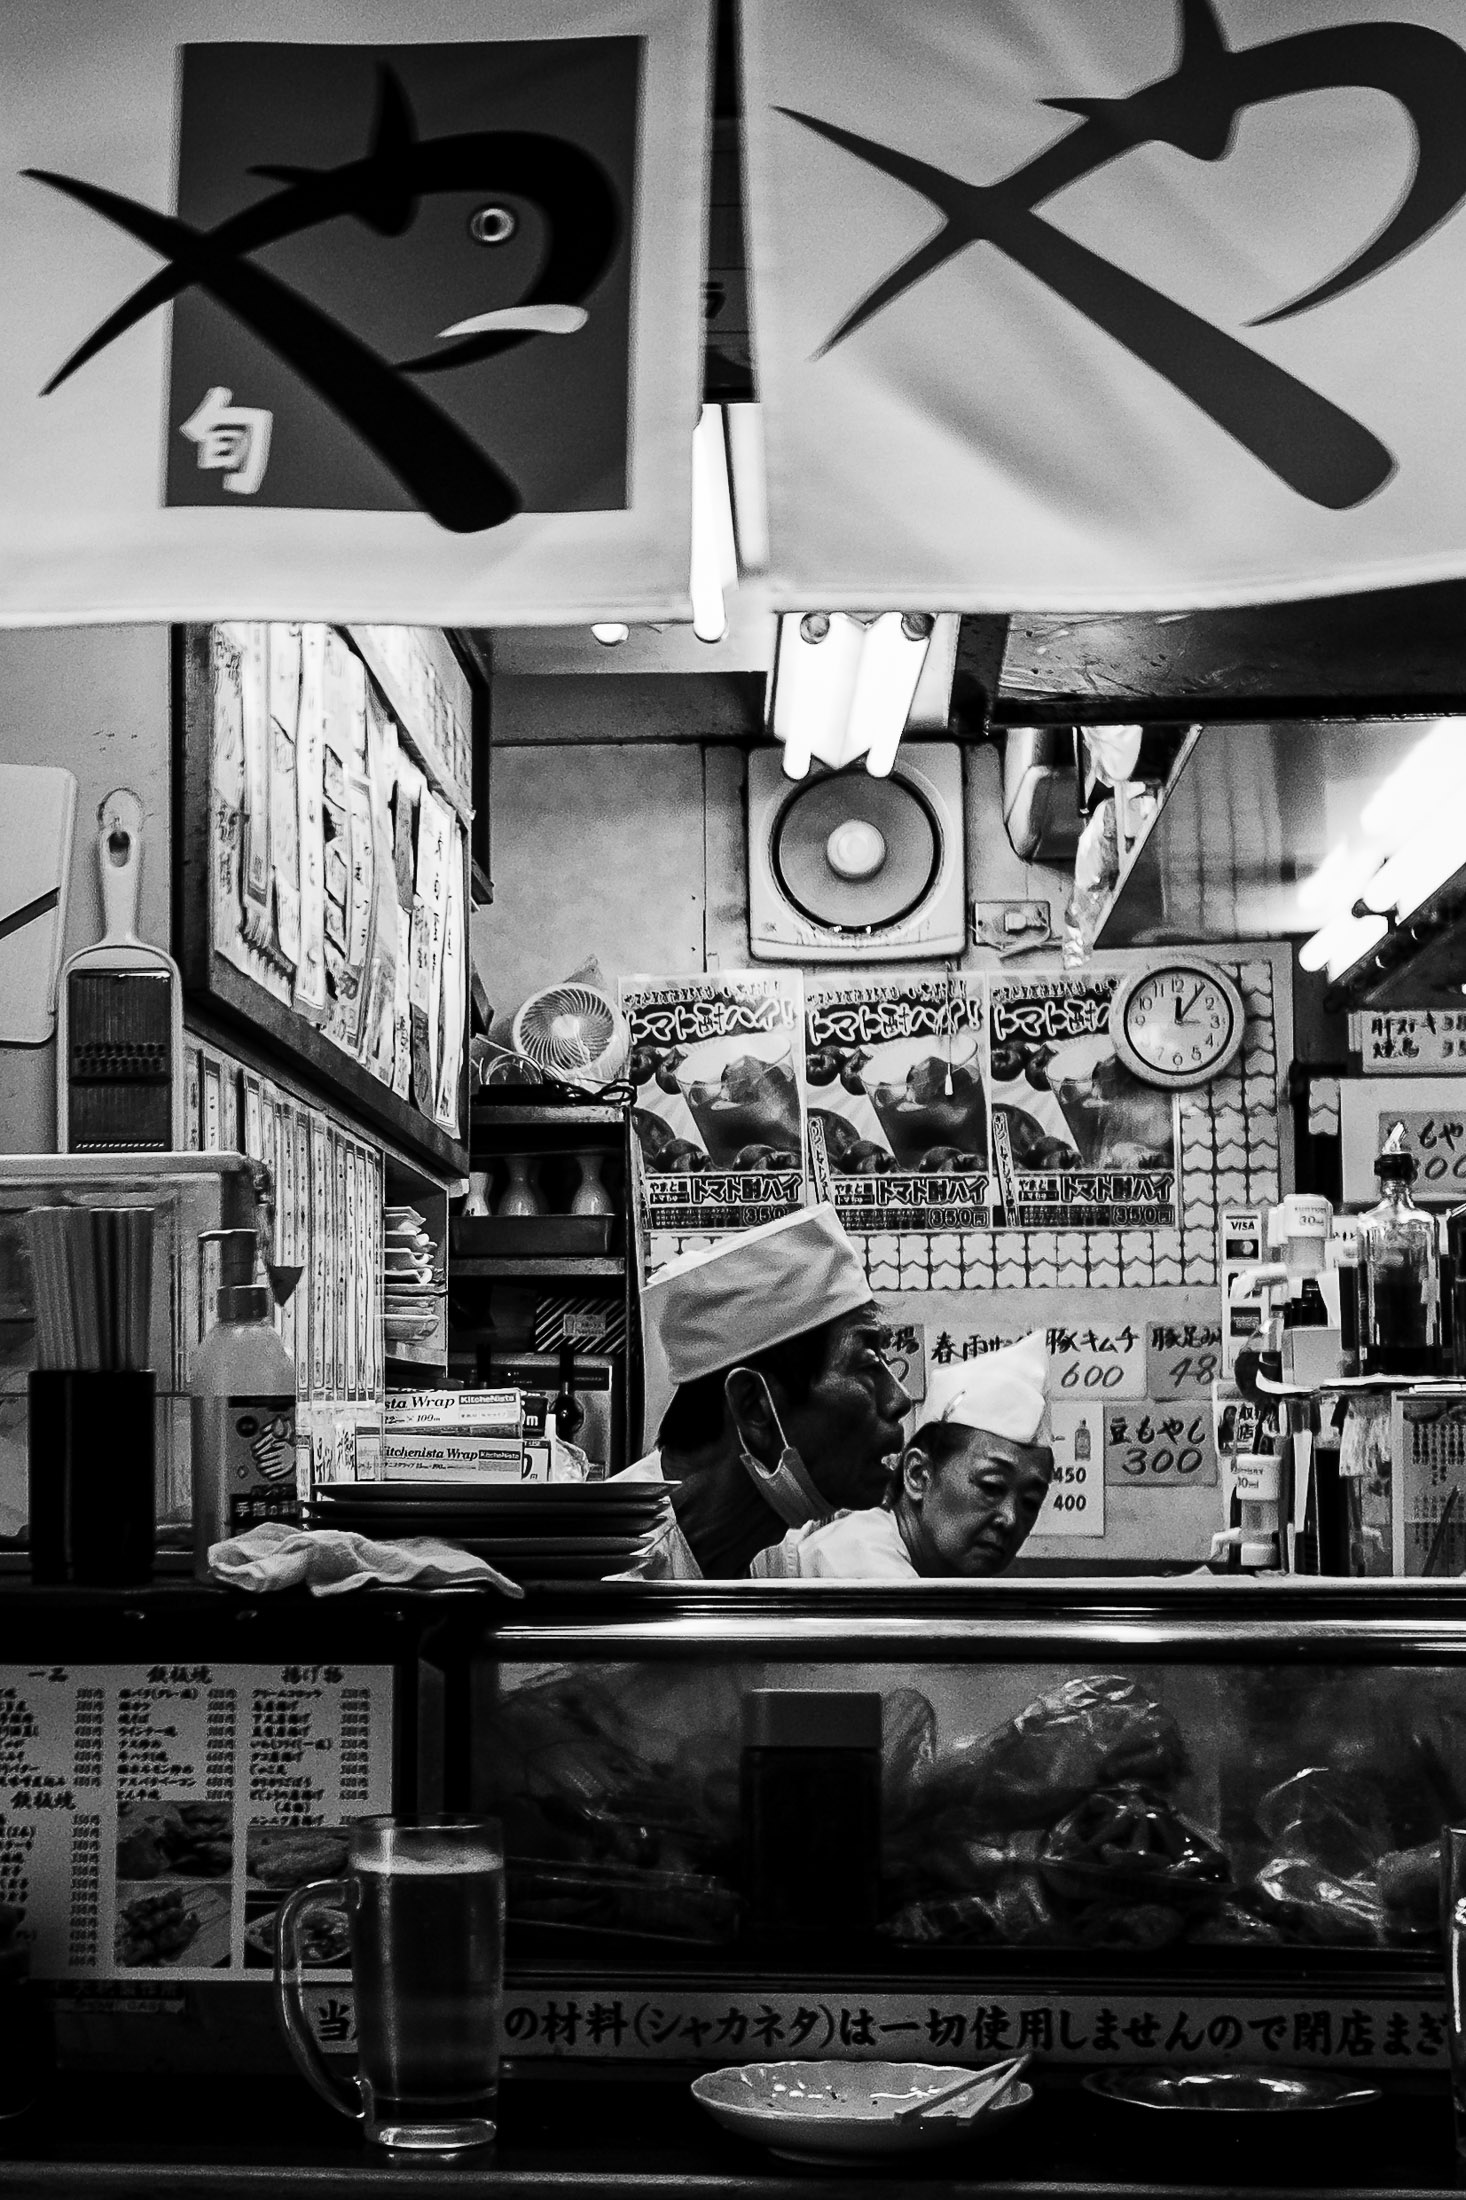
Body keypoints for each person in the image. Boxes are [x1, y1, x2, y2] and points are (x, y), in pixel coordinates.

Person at [618, 1204, 912, 1579]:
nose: (898, 1399)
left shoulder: (780, 1556)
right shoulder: (607, 1571)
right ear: (754, 1405)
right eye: (866, 1362)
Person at [759, 1331, 1053, 1580]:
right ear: (918, 1475)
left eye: (1030, 1502)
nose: (1011, 1519)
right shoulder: (861, 1565)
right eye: (992, 1486)